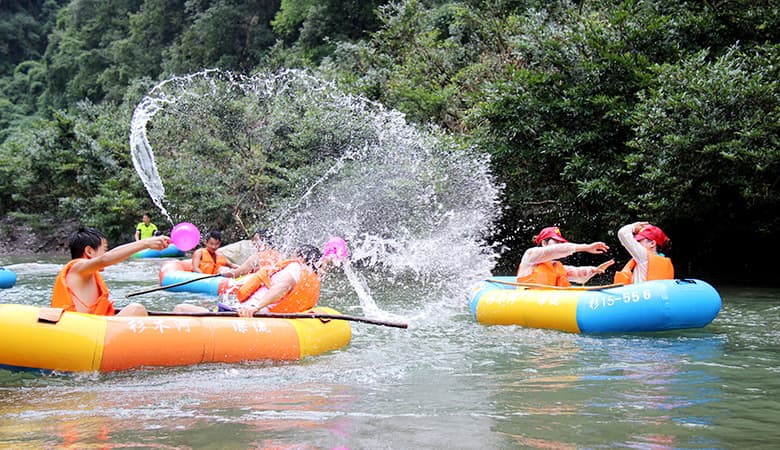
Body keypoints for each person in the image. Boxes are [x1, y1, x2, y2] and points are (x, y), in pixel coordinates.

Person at [51, 226, 171, 316]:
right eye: (104, 249)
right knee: (135, 309)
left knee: (183, 309)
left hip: (94, 331)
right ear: (89, 251)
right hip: (83, 335)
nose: (106, 253)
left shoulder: (90, 273)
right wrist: (145, 243)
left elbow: (107, 257)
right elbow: (105, 259)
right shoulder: (76, 268)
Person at [516, 226, 614, 287]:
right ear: (544, 243)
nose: (559, 244)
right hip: (528, 300)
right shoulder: (530, 255)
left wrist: (594, 270)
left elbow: (578, 274)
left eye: (560, 242)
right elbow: (557, 250)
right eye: (556, 241)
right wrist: (586, 247)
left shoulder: (555, 266)